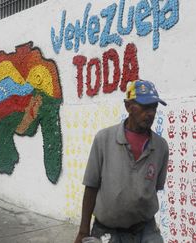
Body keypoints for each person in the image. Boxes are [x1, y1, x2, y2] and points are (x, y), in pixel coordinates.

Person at [74, 80, 169, 243]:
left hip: (145, 229)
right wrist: (83, 231)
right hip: (106, 230)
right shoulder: (104, 139)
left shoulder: (160, 147)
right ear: (128, 106)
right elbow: (91, 187)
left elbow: (156, 187)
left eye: (153, 107)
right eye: (144, 106)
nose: (150, 113)